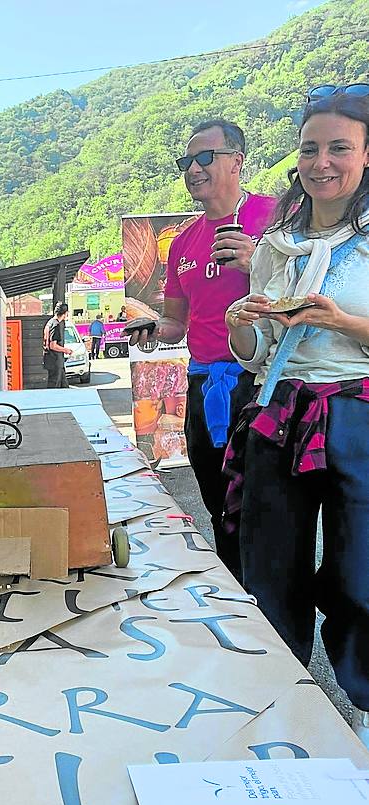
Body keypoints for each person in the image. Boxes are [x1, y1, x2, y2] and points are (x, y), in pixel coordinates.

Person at [223, 93, 369, 744]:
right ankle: (276, 714)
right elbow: (258, 356)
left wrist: (341, 321)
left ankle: (361, 709)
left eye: (340, 147)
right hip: (278, 411)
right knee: (269, 569)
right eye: (311, 148)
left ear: (366, 155)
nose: (322, 161)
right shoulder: (275, 246)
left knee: (358, 573)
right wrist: (242, 328)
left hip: (355, 414)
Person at [128, 118, 276, 580]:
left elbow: (310, 287)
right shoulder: (183, 244)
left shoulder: (276, 216)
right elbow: (177, 321)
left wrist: (259, 261)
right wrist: (155, 327)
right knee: (219, 505)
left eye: (204, 158)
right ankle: (238, 596)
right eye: (186, 161)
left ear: (237, 161)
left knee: (267, 508)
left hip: (262, 382)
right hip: (204, 384)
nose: (192, 168)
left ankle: (274, 609)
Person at [43, 302, 72, 388]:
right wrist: (66, 350)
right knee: (54, 386)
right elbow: (53, 345)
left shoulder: (49, 323)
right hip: (55, 360)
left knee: (64, 385)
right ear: (65, 313)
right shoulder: (56, 325)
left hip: (52, 359)